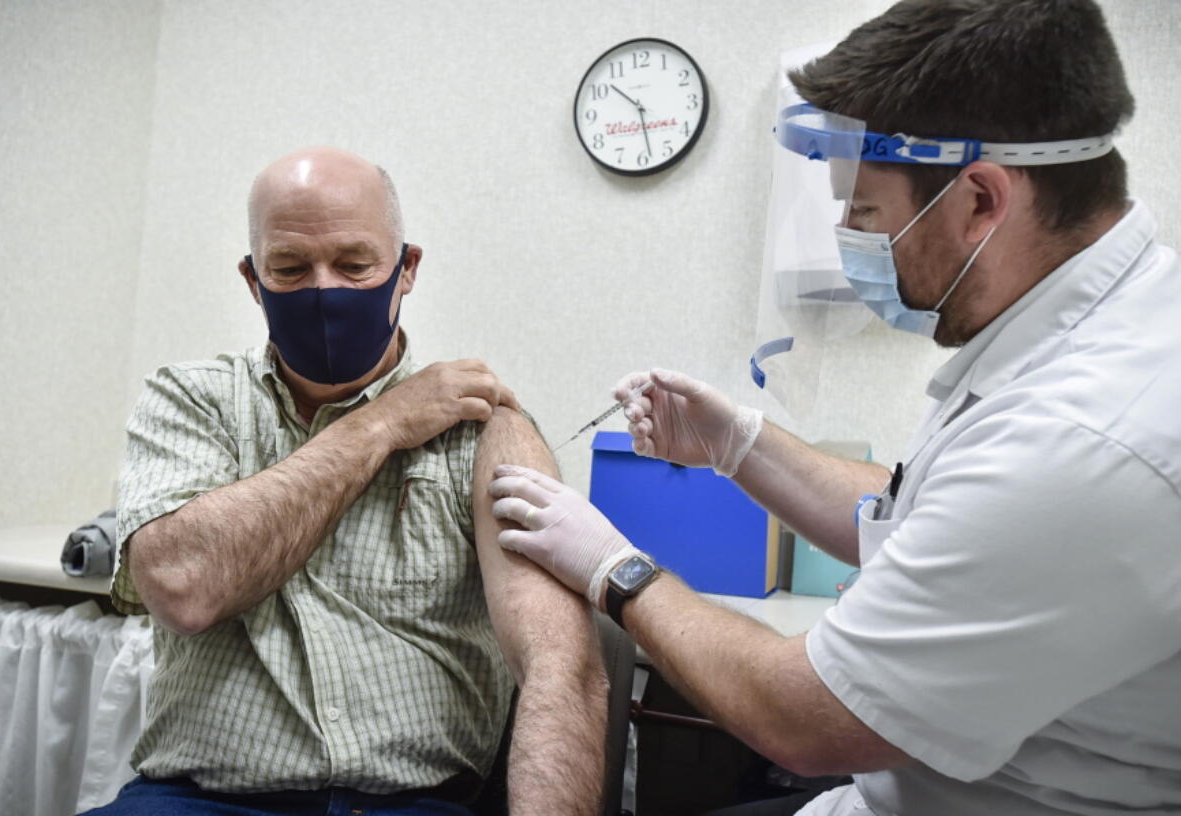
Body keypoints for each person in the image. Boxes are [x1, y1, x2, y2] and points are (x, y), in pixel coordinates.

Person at [488, 1, 1181, 814]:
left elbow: (800, 717)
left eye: (864, 212)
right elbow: (917, 519)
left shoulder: (1080, 440)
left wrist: (616, 570)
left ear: (982, 202)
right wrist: (740, 444)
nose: (848, 236)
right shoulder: (1102, 321)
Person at [86, 147, 608, 816]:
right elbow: (184, 586)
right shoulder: (194, 400)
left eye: (356, 265)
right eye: (290, 268)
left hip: (408, 804)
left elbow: (560, 667)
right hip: (199, 799)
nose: (323, 290)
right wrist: (380, 424)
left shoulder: (479, 428)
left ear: (407, 268)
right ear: (252, 279)